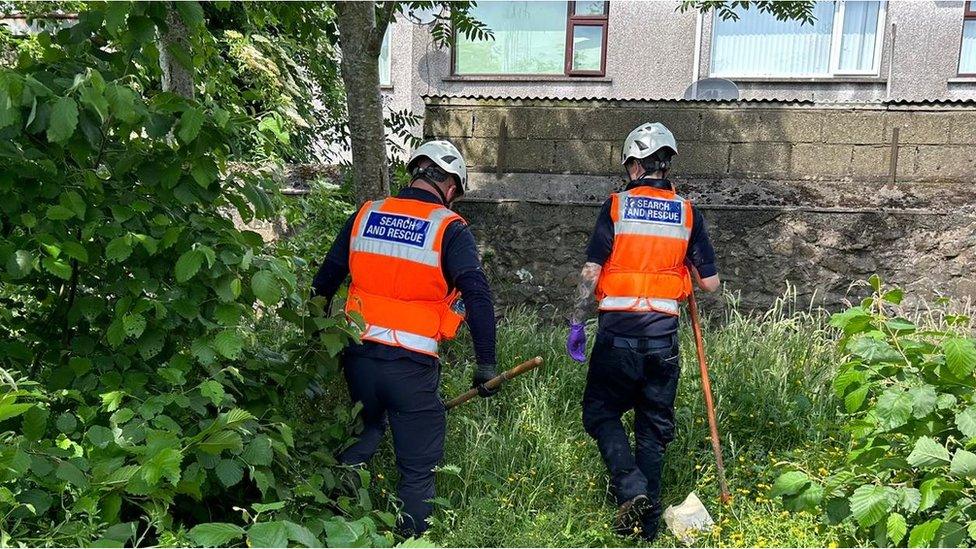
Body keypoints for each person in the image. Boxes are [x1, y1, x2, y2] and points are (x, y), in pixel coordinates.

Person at [311, 140, 498, 537]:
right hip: (411, 367)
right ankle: (410, 541)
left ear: (415, 173)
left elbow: (326, 279)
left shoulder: (367, 214)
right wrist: (486, 364)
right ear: (450, 186)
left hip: (358, 357)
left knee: (364, 433)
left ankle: (330, 529)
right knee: (416, 471)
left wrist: (315, 337)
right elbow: (477, 296)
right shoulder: (448, 228)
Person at [565, 123, 720, 541]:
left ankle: (630, 489)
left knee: (601, 413)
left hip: (616, 336)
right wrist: (682, 263)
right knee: (653, 429)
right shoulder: (688, 213)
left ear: (634, 164)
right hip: (663, 341)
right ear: (666, 165)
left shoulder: (616, 207)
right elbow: (710, 284)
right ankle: (646, 528)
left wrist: (578, 321)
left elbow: (592, 271)